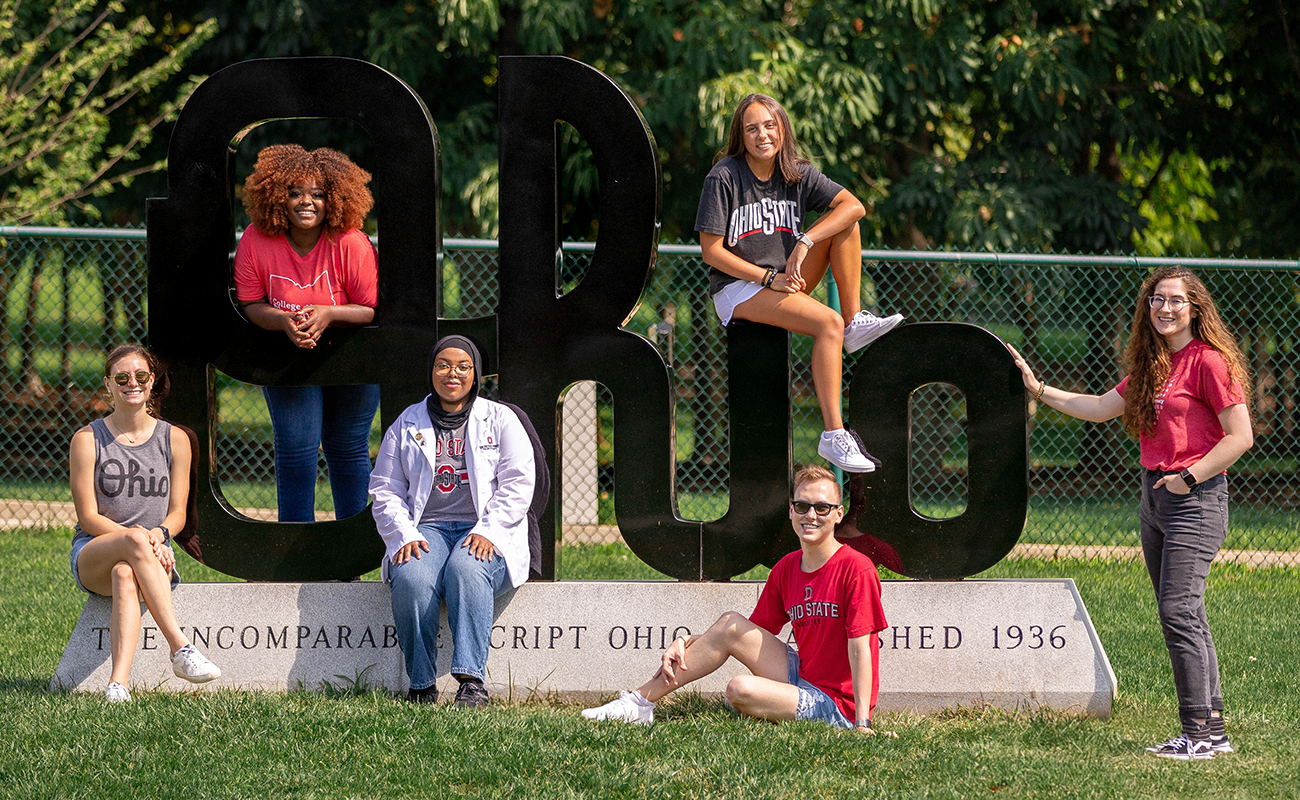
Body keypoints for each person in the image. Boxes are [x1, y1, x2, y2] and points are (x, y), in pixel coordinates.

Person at [1007, 266, 1253, 761]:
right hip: (1155, 498)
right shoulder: (1153, 365)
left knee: (1178, 611)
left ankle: (1197, 735)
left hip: (1195, 499)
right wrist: (1037, 389)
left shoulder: (1209, 362)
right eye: (1157, 300)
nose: (1165, 308)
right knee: (1189, 614)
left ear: (1195, 308)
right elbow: (1099, 407)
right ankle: (1212, 730)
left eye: (1176, 301)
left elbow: (1241, 437)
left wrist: (1190, 477)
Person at [583, 465, 891, 733]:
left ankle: (840, 720)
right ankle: (638, 703)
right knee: (730, 623)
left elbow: (861, 649)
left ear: (838, 514)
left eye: (822, 508)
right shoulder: (787, 568)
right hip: (804, 676)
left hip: (838, 704)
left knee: (739, 689)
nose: (810, 515)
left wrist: (862, 723)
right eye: (802, 506)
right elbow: (742, 633)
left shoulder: (855, 568)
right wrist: (687, 641)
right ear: (790, 511)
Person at [695, 94, 904, 474]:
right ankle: (833, 435)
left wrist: (805, 241)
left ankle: (854, 319)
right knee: (827, 324)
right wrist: (767, 277)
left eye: (770, 126)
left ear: (783, 129)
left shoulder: (797, 172)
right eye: (752, 128)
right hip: (740, 288)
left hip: (784, 279)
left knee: (846, 222)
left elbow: (854, 205)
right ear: (740, 136)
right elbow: (711, 252)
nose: (763, 135)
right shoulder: (724, 176)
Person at [369, 336, 536, 707]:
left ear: (475, 374)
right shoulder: (407, 422)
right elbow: (384, 488)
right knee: (411, 575)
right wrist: (402, 534)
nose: (452, 374)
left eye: (463, 366)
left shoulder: (500, 418)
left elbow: (519, 482)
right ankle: (422, 685)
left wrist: (489, 531)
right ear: (431, 371)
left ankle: (471, 682)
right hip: (425, 529)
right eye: (443, 365)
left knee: (467, 569)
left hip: (483, 527)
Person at [234, 144, 380, 523]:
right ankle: (295, 551)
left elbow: (368, 308)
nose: (306, 202)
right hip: (288, 356)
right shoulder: (255, 240)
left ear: (334, 199)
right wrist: (283, 322)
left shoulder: (351, 242)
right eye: (296, 192)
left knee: (347, 447)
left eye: (317, 194)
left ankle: (349, 553)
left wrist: (328, 314)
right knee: (297, 449)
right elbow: (250, 303)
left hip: (351, 356)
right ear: (276, 196)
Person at [69, 344, 221, 702]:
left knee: (125, 574)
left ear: (152, 381)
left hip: (153, 552)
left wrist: (159, 535)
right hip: (94, 551)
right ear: (108, 384)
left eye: (139, 376)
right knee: (130, 548)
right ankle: (180, 648)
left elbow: (178, 513)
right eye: (121, 377)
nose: (131, 383)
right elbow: (88, 517)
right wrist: (143, 539)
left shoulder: (176, 439)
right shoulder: (88, 439)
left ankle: (117, 685)